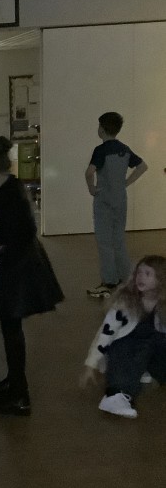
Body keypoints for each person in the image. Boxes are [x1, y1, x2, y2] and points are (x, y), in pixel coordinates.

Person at [0, 136, 65, 416]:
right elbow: (16, 228)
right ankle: (13, 382)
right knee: (10, 327)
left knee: (11, 328)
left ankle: (19, 395)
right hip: (20, 262)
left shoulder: (8, 194)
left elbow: (24, 233)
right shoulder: (8, 188)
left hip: (21, 266)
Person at [82, 256, 166, 418]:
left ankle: (144, 369)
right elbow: (105, 334)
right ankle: (114, 397)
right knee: (128, 351)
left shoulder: (163, 305)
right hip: (126, 348)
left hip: (150, 349)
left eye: (148, 274)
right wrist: (91, 364)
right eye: (139, 272)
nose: (140, 277)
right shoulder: (125, 302)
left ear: (161, 280)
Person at [85, 112, 148, 298]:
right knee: (119, 240)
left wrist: (91, 188)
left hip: (103, 200)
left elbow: (89, 172)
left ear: (102, 129)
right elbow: (143, 166)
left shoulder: (101, 150)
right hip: (120, 199)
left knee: (104, 241)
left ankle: (109, 282)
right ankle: (126, 279)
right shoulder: (124, 149)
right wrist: (126, 183)